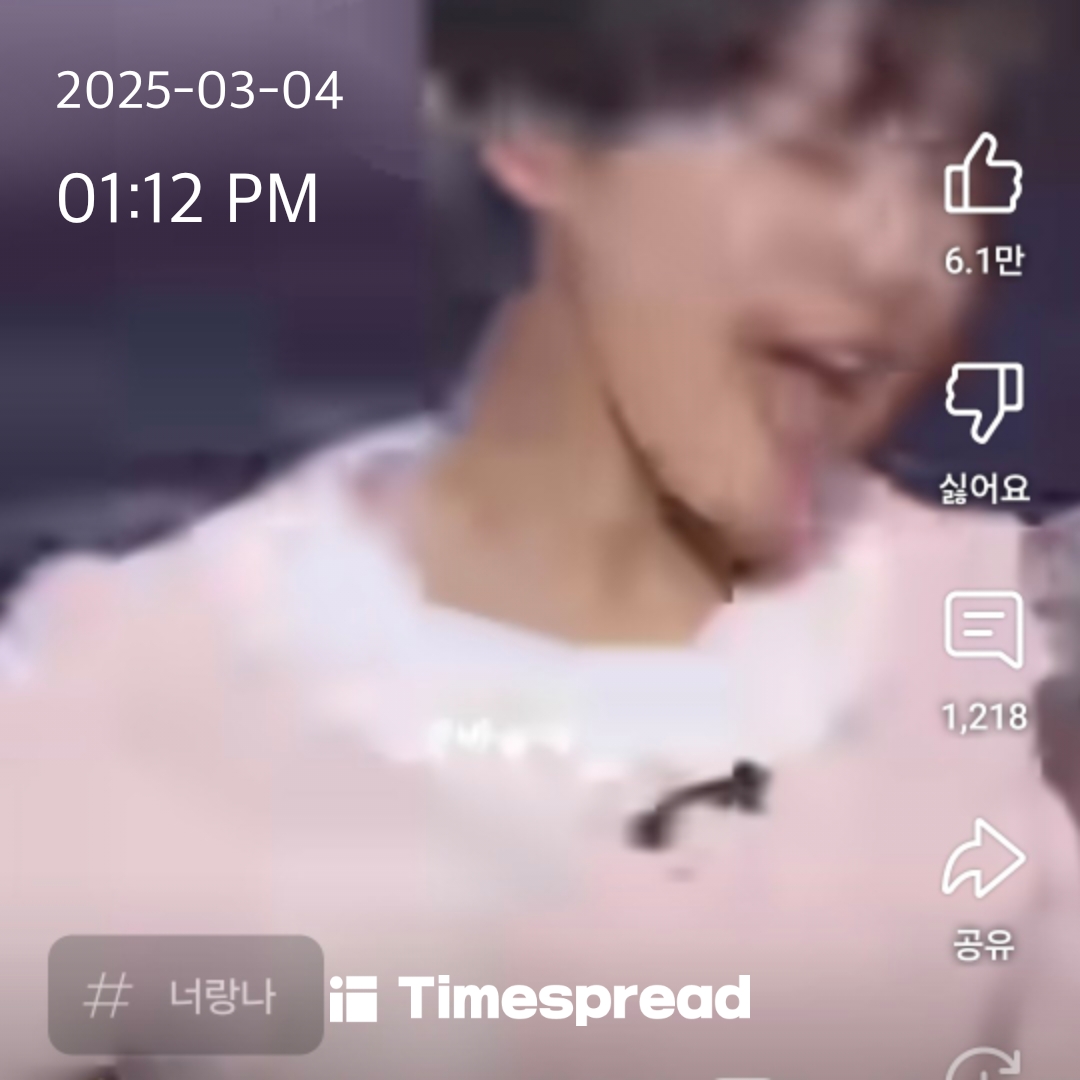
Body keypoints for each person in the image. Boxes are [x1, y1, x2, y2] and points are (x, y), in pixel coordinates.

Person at [3, 0, 1078, 1076]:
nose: (903, 255)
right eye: (815, 152)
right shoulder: (128, 691)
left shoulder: (1013, 662)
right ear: (540, 131)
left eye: (958, 178)